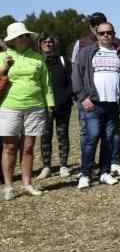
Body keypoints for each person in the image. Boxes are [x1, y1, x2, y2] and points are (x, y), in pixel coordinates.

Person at [73, 22, 120, 189]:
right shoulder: (86, 52)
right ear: (96, 34)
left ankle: (104, 172)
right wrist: (84, 97)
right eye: (102, 33)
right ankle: (85, 174)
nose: (106, 35)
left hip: (113, 104)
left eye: (109, 32)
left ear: (114, 33)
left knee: (108, 139)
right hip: (93, 103)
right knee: (92, 138)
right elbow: (77, 77)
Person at [0, 23, 54, 200]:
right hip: (9, 107)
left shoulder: (38, 58)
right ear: (12, 41)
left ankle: (27, 183)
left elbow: (46, 85)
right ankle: (8, 187)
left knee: (28, 148)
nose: (24, 38)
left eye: (25, 35)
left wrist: (49, 106)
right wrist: (4, 68)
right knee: (9, 147)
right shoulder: (2, 56)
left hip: (35, 107)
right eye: (19, 36)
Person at [36, 32, 73, 179]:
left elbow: (71, 82)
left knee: (63, 135)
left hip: (63, 106)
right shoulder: (36, 60)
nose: (47, 43)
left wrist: (65, 97)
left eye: (50, 41)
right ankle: (46, 167)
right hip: (43, 107)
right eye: (43, 41)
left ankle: (64, 165)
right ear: (39, 44)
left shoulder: (63, 60)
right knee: (45, 137)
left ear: (54, 43)